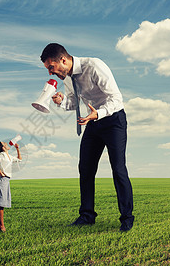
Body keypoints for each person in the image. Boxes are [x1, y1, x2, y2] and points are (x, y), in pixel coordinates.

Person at [40, 43, 134, 232]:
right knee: (85, 168)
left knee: (118, 168)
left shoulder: (94, 66)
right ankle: (87, 216)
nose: (51, 73)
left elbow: (116, 98)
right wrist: (61, 102)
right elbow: (74, 103)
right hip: (93, 121)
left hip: (113, 119)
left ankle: (126, 218)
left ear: (63, 60)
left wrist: (98, 114)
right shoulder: (67, 77)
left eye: (51, 67)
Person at [0, 141, 22, 232]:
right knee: (1, 204)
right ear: (3, 147)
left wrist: (17, 149)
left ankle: (1, 226)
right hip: (2, 180)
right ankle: (2, 226)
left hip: (6, 181)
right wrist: (1, 173)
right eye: (5, 144)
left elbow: (19, 159)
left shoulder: (9, 156)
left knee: (2, 204)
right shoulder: (1, 155)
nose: (7, 144)